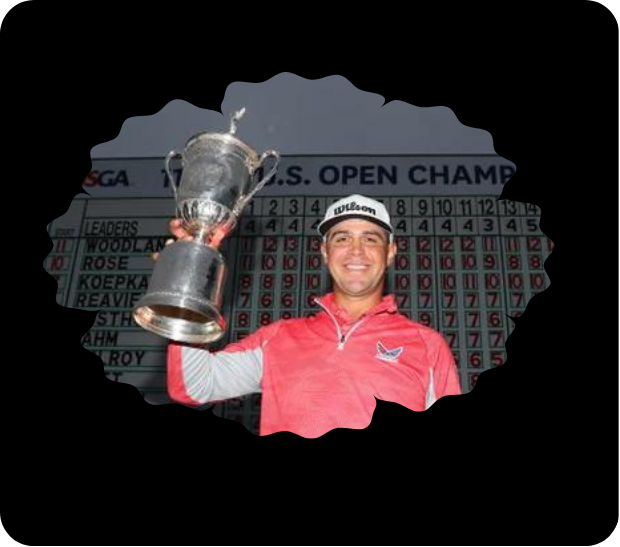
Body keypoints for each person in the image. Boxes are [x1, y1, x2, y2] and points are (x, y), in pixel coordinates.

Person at [159, 194, 462, 438]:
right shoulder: (279, 339)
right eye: (342, 238)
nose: (356, 250)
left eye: (370, 239)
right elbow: (194, 385)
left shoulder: (427, 345)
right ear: (325, 252)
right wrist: (190, 284)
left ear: (391, 252)